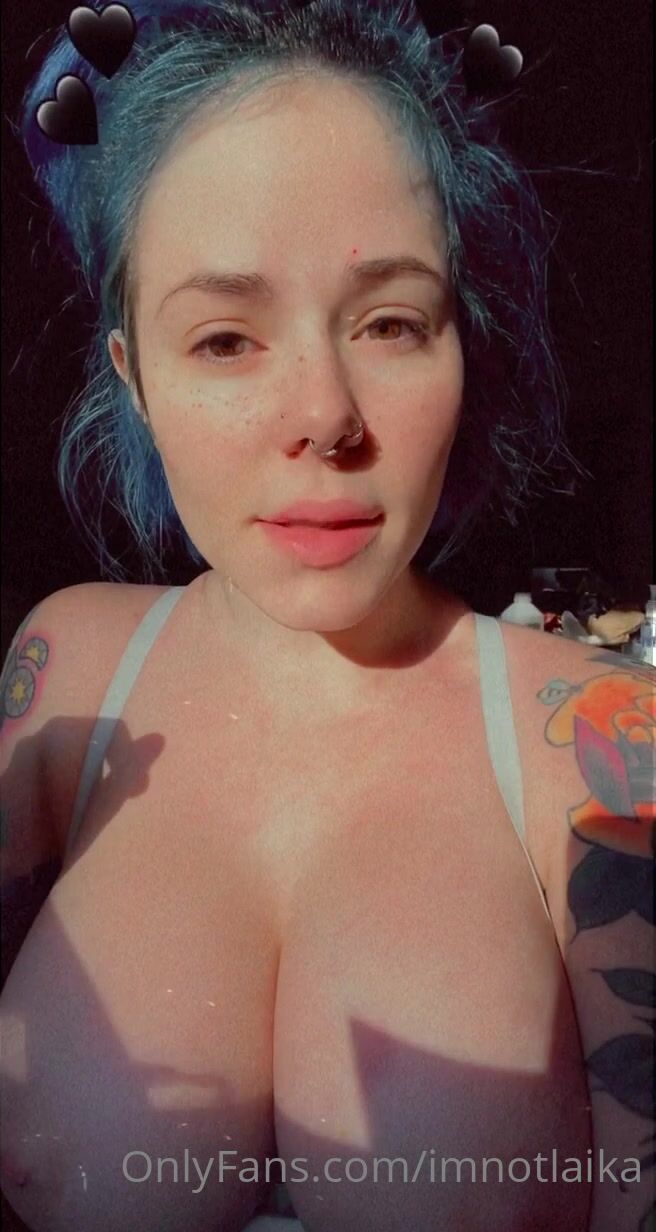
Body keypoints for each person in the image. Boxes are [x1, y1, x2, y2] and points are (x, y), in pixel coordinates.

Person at [1, 2, 653, 1230]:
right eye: (225, 339)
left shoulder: (598, 739)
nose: (323, 415)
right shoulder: (70, 672)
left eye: (390, 321)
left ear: (462, 343)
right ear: (134, 376)